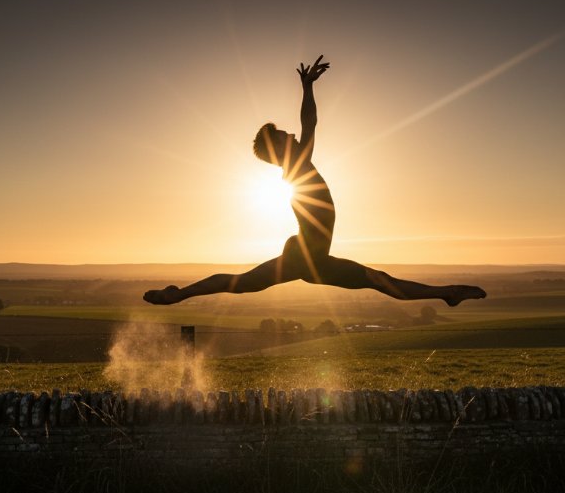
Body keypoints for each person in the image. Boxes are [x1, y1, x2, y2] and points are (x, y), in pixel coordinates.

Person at [144, 55, 486, 306]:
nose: (291, 134)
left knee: (243, 283)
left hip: (309, 255)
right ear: (278, 148)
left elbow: (306, 127)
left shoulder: (295, 170)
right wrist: (307, 88)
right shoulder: (297, 168)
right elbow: (309, 123)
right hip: (309, 258)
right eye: (283, 135)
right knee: (379, 281)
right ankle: (447, 293)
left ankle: (180, 294)